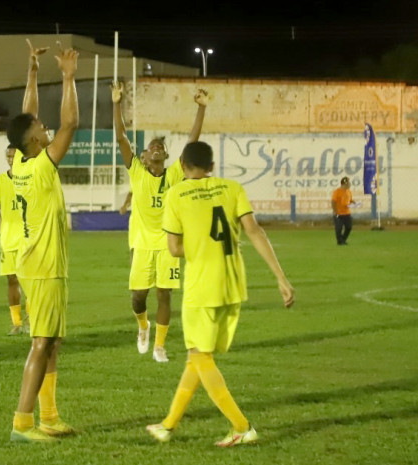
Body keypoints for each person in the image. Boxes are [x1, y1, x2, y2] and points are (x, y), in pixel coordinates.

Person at [147, 141, 295, 446]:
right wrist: (281, 278)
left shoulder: (176, 194)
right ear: (212, 167)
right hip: (233, 285)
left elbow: (174, 248)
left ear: (182, 165)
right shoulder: (232, 188)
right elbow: (254, 231)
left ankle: (241, 426)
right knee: (197, 356)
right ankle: (167, 425)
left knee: (200, 356)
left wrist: (200, 242)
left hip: (202, 287)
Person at [4, 40, 78, 443]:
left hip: (35, 262)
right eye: (40, 129)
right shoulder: (42, 165)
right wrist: (67, 77)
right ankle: (23, 423)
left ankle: (49, 416)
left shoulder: (20, 159)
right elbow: (70, 124)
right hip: (44, 265)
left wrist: (33, 71)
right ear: (35, 142)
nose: (44, 127)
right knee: (41, 342)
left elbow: (27, 113)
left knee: (52, 342)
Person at [112, 82, 208, 362]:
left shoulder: (175, 174)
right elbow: (121, 138)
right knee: (138, 296)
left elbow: (192, 141)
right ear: (146, 154)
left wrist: (201, 108)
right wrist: (116, 103)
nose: (156, 147)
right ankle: (143, 326)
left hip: (168, 242)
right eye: (152, 145)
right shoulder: (137, 172)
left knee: (165, 294)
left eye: (161, 146)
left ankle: (159, 346)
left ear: (166, 155)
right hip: (142, 243)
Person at [0, 144, 27, 335]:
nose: (11, 159)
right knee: (12, 280)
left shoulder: (30, 178)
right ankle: (16, 323)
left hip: (29, 239)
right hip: (8, 239)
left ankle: (31, 319)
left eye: (14, 156)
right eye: (8, 156)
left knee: (30, 281)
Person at [331, 176, 353, 245]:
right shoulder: (337, 192)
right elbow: (333, 201)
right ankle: (340, 241)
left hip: (347, 213)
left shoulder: (349, 192)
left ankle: (343, 239)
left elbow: (350, 200)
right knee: (339, 228)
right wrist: (335, 211)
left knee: (349, 227)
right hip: (339, 213)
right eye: (348, 183)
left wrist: (355, 203)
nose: (350, 184)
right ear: (344, 184)